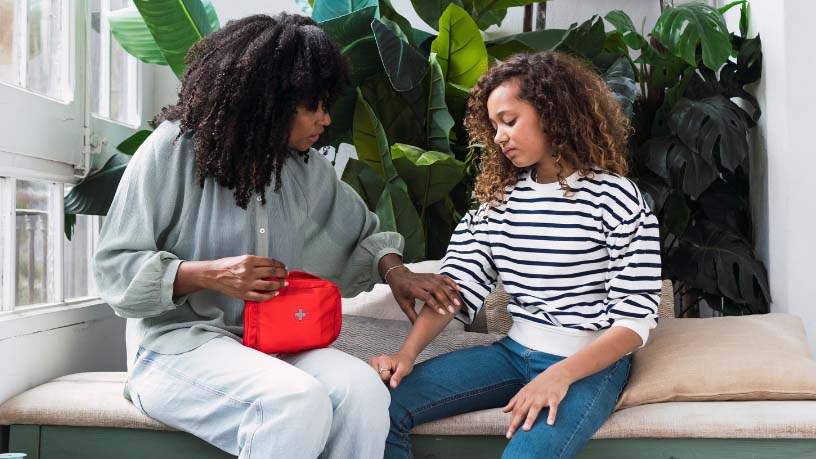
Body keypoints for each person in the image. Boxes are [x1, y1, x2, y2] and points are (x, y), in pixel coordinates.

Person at [93, 13, 460, 459]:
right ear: (269, 99)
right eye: (314, 105)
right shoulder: (172, 150)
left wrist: (397, 272)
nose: (325, 119)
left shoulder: (303, 168)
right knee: (294, 402)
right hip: (175, 348)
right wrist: (208, 275)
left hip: (269, 345)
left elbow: (362, 232)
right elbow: (115, 268)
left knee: (364, 391)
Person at [369, 51, 662, 459]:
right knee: (381, 407)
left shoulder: (617, 199)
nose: (499, 137)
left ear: (552, 113)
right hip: (512, 354)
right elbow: (455, 291)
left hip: (589, 366)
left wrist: (559, 375)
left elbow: (635, 321)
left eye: (510, 121)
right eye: (493, 126)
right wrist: (406, 354)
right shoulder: (497, 202)